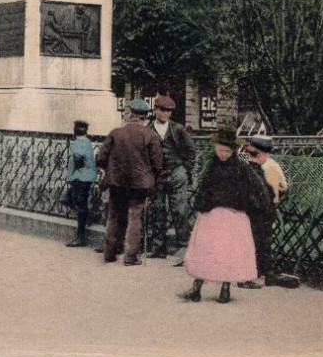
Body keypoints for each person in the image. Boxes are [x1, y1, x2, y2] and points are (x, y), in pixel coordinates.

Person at [184, 125, 271, 304]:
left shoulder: (241, 168)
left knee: (228, 251)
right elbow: (204, 188)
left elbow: (256, 188)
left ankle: (225, 288)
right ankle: (196, 287)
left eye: (226, 151)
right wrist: (203, 204)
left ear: (233, 151)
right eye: (219, 150)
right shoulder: (212, 166)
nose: (222, 154)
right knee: (206, 249)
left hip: (233, 216)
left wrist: (257, 205)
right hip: (212, 216)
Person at [96, 100, 163, 266]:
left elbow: (100, 158)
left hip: (116, 181)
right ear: (145, 117)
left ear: (130, 114)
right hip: (139, 184)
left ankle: (109, 254)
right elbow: (158, 164)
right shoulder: (150, 135)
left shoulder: (116, 133)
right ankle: (131, 257)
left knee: (114, 216)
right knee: (135, 217)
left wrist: (112, 169)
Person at [240, 136, 300, 289]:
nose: (250, 157)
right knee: (259, 240)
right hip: (259, 209)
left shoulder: (263, 167)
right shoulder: (259, 167)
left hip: (260, 209)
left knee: (261, 240)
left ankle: (264, 271)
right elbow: (279, 189)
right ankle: (257, 272)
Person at [144, 94, 196, 265]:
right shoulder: (148, 130)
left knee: (180, 210)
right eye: (163, 110)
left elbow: (190, 151)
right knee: (157, 209)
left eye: (169, 111)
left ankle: (184, 248)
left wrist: (184, 170)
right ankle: (158, 248)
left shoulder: (178, 129)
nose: (166, 114)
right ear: (155, 110)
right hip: (157, 176)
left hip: (176, 174)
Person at [64, 120, 97, 248]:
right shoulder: (87, 142)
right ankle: (87, 216)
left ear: (74, 130)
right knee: (71, 200)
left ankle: (80, 237)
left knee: (78, 205)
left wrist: (70, 177)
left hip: (81, 178)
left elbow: (77, 161)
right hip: (86, 178)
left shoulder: (78, 143)